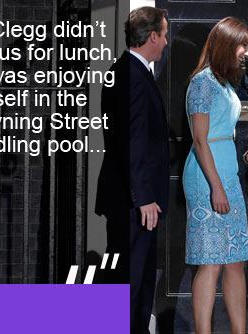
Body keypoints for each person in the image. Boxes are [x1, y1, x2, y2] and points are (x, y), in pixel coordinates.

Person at [95, 6, 169, 334]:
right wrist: (144, 197)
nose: (166, 42)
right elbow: (133, 140)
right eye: (164, 35)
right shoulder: (132, 76)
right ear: (152, 36)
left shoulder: (125, 71)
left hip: (129, 196)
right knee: (131, 281)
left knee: (134, 281)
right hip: (134, 201)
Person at [182, 17, 248, 334]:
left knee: (235, 261)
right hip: (207, 176)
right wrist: (216, 188)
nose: (246, 52)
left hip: (229, 174)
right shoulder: (202, 83)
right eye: (242, 45)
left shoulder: (224, 83)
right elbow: (199, 139)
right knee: (210, 261)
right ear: (225, 45)